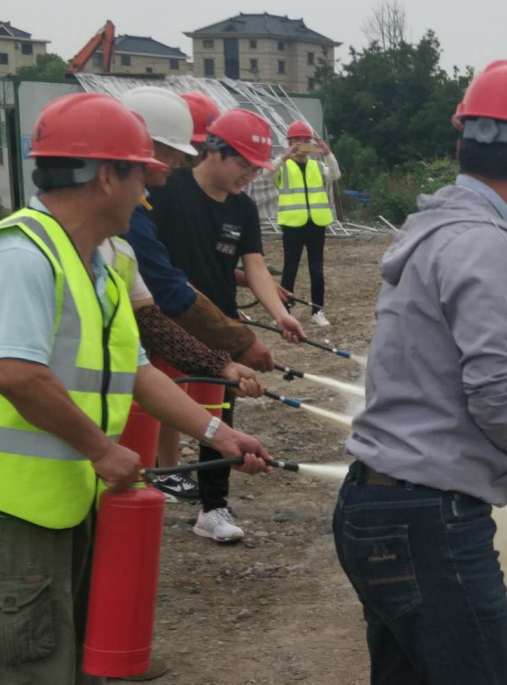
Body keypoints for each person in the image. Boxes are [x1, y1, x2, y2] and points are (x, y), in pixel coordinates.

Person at [0, 92, 271, 685]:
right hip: (6, 502)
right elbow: (17, 375)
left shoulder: (108, 261)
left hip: (65, 494)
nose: (149, 192)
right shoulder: (20, 256)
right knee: (23, 663)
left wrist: (218, 434)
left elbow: (136, 372)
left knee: (37, 649)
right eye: (142, 174)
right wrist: (102, 449)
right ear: (107, 176)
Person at [335, 61, 507, 685]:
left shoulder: (436, 227)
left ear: (461, 148)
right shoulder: (485, 242)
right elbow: (496, 394)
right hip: (430, 524)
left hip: (375, 507)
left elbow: (466, 378)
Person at [148, 108, 304, 543]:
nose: (249, 176)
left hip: (219, 326)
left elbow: (254, 266)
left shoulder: (243, 208)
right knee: (157, 401)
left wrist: (279, 314)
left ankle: (213, 507)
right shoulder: (168, 188)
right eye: (243, 165)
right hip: (165, 320)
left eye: (255, 169)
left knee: (219, 410)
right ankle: (151, 483)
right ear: (213, 151)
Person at [125, 90, 272, 506]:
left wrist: (218, 364)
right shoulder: (129, 222)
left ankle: (181, 480)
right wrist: (238, 342)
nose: (176, 165)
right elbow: (171, 290)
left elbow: (152, 320)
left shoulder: (121, 234)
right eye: (171, 155)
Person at [268, 120, 340, 327]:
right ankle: (284, 310)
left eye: (305, 140)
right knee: (290, 269)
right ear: (290, 143)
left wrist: (327, 154)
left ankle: (318, 310)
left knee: (317, 270)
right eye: (297, 140)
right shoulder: (283, 166)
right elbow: (266, 173)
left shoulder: (317, 166)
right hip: (293, 225)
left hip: (316, 224)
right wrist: (284, 156)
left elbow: (335, 174)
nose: (301, 144)